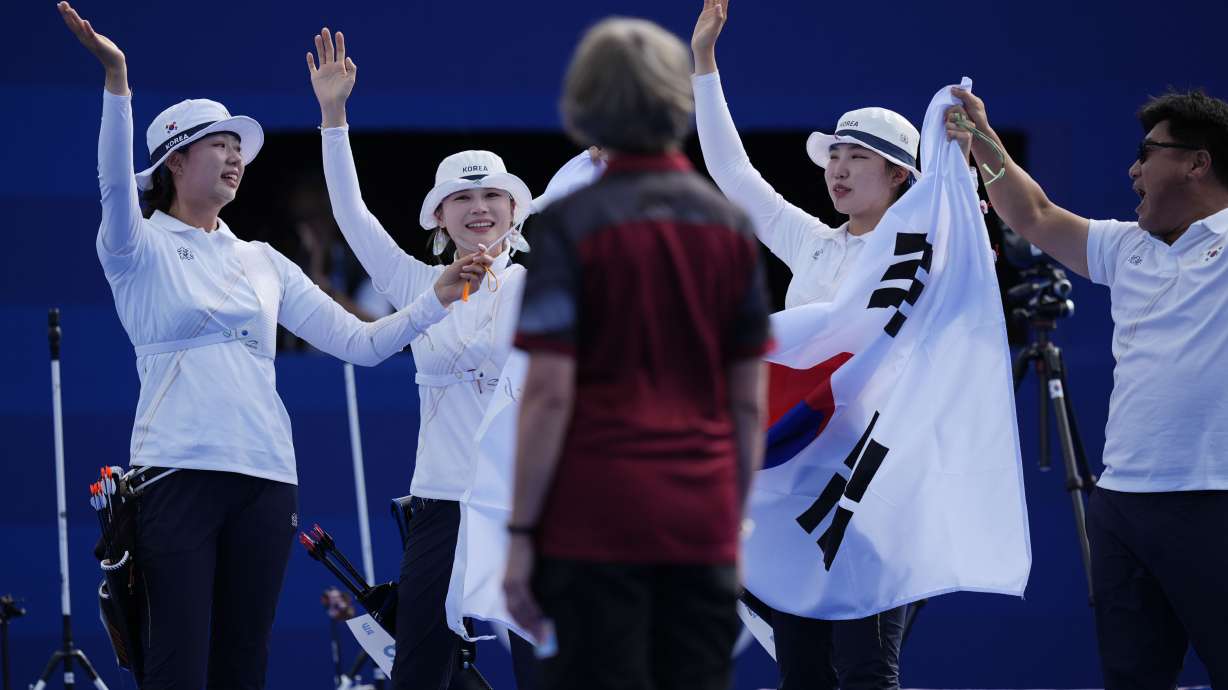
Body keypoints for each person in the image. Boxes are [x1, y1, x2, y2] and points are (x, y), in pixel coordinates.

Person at [60, 5, 490, 688]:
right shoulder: (135, 248)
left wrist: (435, 299)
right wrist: (117, 81)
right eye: (218, 144)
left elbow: (363, 343)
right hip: (176, 473)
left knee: (243, 664)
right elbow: (114, 184)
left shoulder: (265, 260)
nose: (235, 157)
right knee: (174, 662)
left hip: (266, 478)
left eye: (238, 147)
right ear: (175, 160)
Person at [689, 2, 969, 687]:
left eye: (859, 159)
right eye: (834, 157)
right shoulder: (812, 243)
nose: (838, 170)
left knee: (867, 673)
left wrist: (962, 188)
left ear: (901, 175)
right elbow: (733, 174)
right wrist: (704, 62)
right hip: (796, 490)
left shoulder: (928, 252)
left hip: (874, 490)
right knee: (805, 676)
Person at [501, 17, 774, 690]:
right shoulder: (731, 229)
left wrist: (518, 535)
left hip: (594, 528)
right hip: (702, 527)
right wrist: (732, 526)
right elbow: (747, 403)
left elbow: (547, 395)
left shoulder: (566, 226)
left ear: (585, 105)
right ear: (673, 102)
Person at [948, 86, 1228, 688]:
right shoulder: (1126, 247)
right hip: (1120, 506)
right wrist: (982, 142)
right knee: (1131, 678)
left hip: (1214, 500)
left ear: (1197, 162)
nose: (1132, 169)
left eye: (1147, 154)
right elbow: (1036, 216)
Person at [306, 28, 540, 689]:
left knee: (543, 667)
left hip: (524, 505)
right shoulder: (413, 283)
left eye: (491, 195)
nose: (478, 208)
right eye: (462, 198)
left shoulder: (544, 286)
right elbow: (350, 215)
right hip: (439, 499)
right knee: (418, 669)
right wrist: (333, 115)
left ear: (512, 212)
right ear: (439, 217)